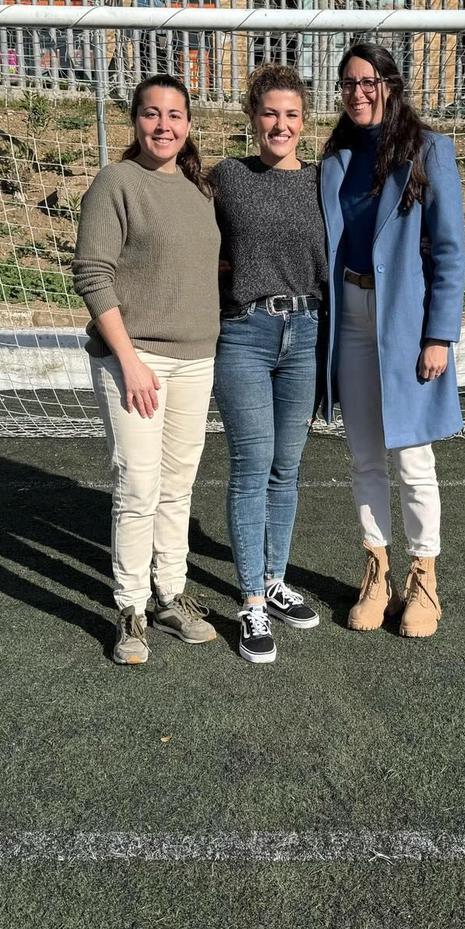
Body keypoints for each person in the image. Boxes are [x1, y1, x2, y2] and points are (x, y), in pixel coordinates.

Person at [317, 42, 465, 639]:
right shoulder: (333, 155)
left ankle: (423, 577)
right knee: (364, 455)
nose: (357, 92)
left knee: (411, 455)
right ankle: (375, 573)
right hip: (349, 315)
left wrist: (439, 335)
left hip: (404, 321)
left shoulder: (430, 150)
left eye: (368, 81)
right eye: (348, 82)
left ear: (390, 84)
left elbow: (451, 253)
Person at [73, 74, 220, 665]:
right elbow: (92, 273)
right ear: (135, 120)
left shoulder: (199, 189)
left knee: (177, 486)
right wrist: (129, 359)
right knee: (137, 484)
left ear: (189, 124)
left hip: (196, 360)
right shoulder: (116, 182)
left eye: (175, 115)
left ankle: (172, 595)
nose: (164, 126)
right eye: (153, 114)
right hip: (134, 361)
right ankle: (130, 605)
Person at [212, 64, 327, 664]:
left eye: (291, 114)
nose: (280, 124)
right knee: (252, 466)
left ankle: (277, 580)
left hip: (306, 335)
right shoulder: (227, 177)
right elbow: (195, 246)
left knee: (287, 468)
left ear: (305, 122)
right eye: (269, 113)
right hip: (246, 336)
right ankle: (251, 601)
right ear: (252, 118)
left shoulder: (322, 182)